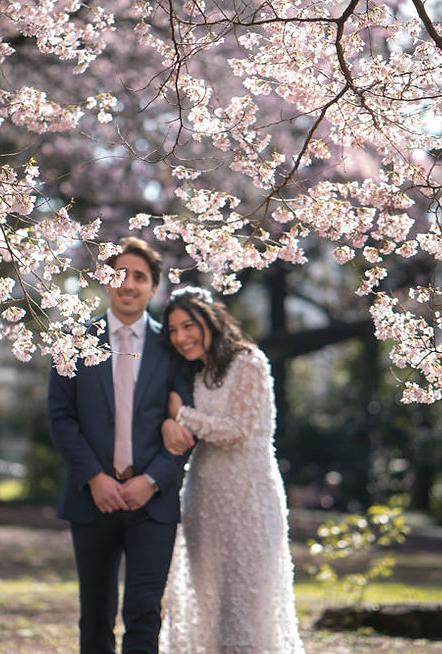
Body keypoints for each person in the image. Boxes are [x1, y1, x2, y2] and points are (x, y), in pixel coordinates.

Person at [48, 237, 192, 654]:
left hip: (154, 501)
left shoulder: (174, 347)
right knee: (94, 614)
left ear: (154, 287)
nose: (128, 284)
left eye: (140, 277)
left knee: (144, 613)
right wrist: (94, 477)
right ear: (105, 280)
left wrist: (151, 480)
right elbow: (61, 417)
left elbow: (186, 424)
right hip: (91, 498)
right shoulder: (73, 338)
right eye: (119, 274)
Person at [158, 286, 305, 654]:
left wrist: (180, 414)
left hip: (249, 496)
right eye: (173, 330)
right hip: (203, 495)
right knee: (207, 596)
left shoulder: (249, 362)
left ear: (211, 320)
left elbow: (238, 431)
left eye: (188, 325)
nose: (181, 337)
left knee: (245, 600)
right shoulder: (195, 372)